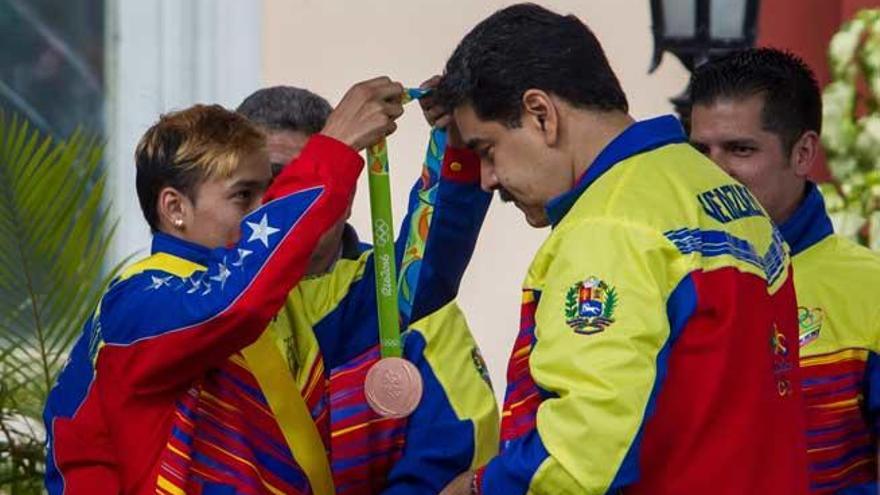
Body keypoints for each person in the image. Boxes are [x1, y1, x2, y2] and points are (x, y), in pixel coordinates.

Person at [433, 4, 809, 494]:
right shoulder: (719, 193)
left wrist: (476, 487)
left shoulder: (608, 224)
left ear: (541, 114)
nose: (487, 179)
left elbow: (579, 456)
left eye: (487, 150)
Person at [43, 77, 405, 494]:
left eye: (268, 192)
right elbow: (232, 305)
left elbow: (414, 285)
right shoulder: (139, 302)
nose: (263, 211)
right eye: (244, 196)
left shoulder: (271, 297)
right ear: (175, 207)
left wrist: (456, 160)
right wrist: (333, 149)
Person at [235, 84, 499, 493]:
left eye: (305, 178)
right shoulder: (202, 303)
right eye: (256, 187)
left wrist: (457, 141)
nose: (278, 202)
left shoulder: (397, 297)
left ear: (347, 192)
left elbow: (450, 461)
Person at [690, 47, 880, 494]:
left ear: (803, 153)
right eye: (699, 151)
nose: (712, 174)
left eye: (740, 149)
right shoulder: (659, 275)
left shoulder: (870, 289)